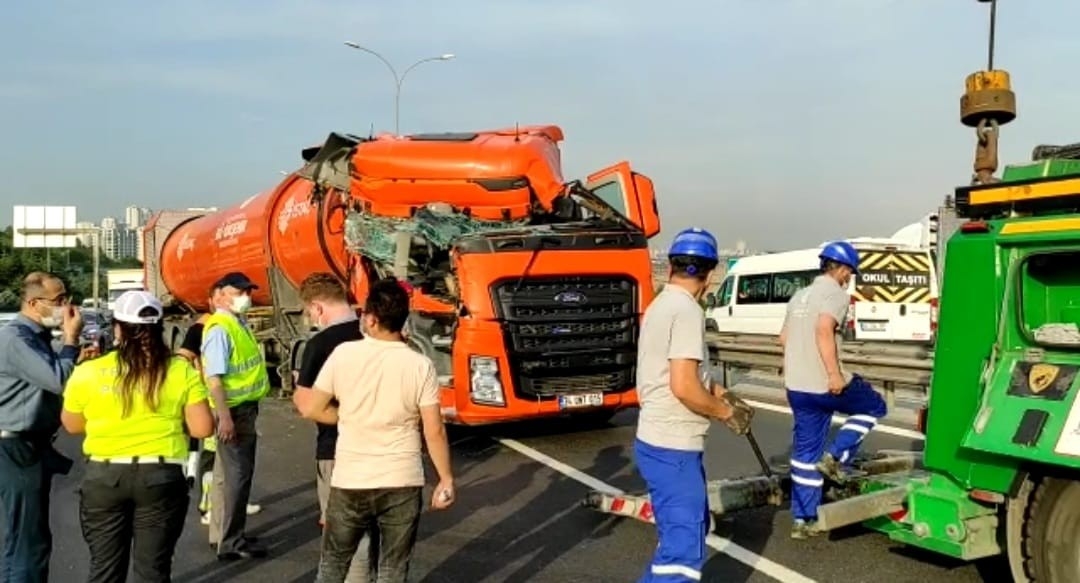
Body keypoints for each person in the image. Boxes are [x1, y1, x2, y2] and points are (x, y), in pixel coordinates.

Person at [297, 277, 455, 583]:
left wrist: (346, 418)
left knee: (333, 565)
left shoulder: (344, 354)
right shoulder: (419, 365)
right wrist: (445, 479)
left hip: (351, 478)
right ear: (402, 319)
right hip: (402, 479)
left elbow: (311, 407)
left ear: (369, 318)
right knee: (393, 569)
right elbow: (434, 431)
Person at [61, 290, 215, 581]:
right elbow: (202, 429)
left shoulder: (88, 372)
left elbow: (71, 425)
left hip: (104, 477)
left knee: (104, 569)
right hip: (161, 476)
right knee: (153, 570)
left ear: (117, 328)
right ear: (159, 329)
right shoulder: (180, 371)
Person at [634, 228, 754, 583]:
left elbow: (679, 372)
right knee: (682, 557)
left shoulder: (661, 304)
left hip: (658, 442)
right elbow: (683, 386)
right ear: (711, 273)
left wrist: (718, 392)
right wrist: (726, 413)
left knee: (682, 540)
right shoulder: (687, 311)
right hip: (673, 447)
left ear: (671, 265)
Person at [779, 240, 888, 539]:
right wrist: (833, 374)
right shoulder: (836, 295)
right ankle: (836, 456)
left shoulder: (799, 296)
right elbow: (824, 328)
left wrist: (794, 370)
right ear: (840, 268)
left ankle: (804, 520)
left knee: (804, 455)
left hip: (796, 386)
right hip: (823, 383)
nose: (849, 277)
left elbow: (784, 339)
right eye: (849, 272)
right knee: (875, 406)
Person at [291, 272, 377, 581]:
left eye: (307, 311)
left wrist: (350, 419)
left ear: (316, 307)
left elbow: (304, 403)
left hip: (337, 449)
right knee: (376, 530)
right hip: (383, 449)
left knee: (345, 535)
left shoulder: (320, 345)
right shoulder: (377, 334)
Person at [0, 271, 83, 582]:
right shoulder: (16, 339)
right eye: (59, 301)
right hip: (16, 447)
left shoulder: (34, 337)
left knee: (21, 538)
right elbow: (57, 379)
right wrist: (71, 341)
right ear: (34, 303)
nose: (66, 307)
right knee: (30, 542)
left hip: (28, 443)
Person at [201, 272, 271, 560]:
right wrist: (225, 417)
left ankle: (223, 535)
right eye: (238, 291)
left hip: (239, 410)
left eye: (247, 291)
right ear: (219, 295)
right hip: (234, 412)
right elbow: (214, 378)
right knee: (237, 478)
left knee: (224, 477)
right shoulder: (220, 328)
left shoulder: (235, 323)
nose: (245, 297)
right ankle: (232, 541)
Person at [175, 311, 262, 528]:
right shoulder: (203, 328)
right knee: (213, 457)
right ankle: (209, 506)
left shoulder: (231, 326)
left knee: (229, 462)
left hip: (223, 401)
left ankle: (229, 504)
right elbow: (183, 357)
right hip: (211, 402)